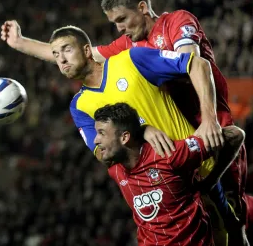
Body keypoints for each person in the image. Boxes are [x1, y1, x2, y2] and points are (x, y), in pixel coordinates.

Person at [0, 0, 250, 237]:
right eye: (114, 23)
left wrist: (150, 70)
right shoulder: (128, 49)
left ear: (142, 8)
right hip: (174, 163)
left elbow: (190, 64)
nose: (118, 28)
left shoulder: (173, 24)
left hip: (210, 127)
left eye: (121, 19)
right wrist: (20, 43)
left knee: (233, 220)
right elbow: (72, 53)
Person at [48, 25, 239, 245]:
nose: (61, 59)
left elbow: (197, 64)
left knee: (231, 231)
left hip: (203, 172)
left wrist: (209, 119)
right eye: (55, 54)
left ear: (87, 50)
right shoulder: (79, 106)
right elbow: (102, 153)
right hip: (163, 194)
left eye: (66, 50)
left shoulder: (131, 60)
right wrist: (140, 129)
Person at [93, 102, 245, 246]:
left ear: (125, 137)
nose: (95, 140)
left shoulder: (169, 155)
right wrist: (145, 128)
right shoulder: (115, 169)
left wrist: (211, 180)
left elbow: (235, 135)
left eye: (102, 133)